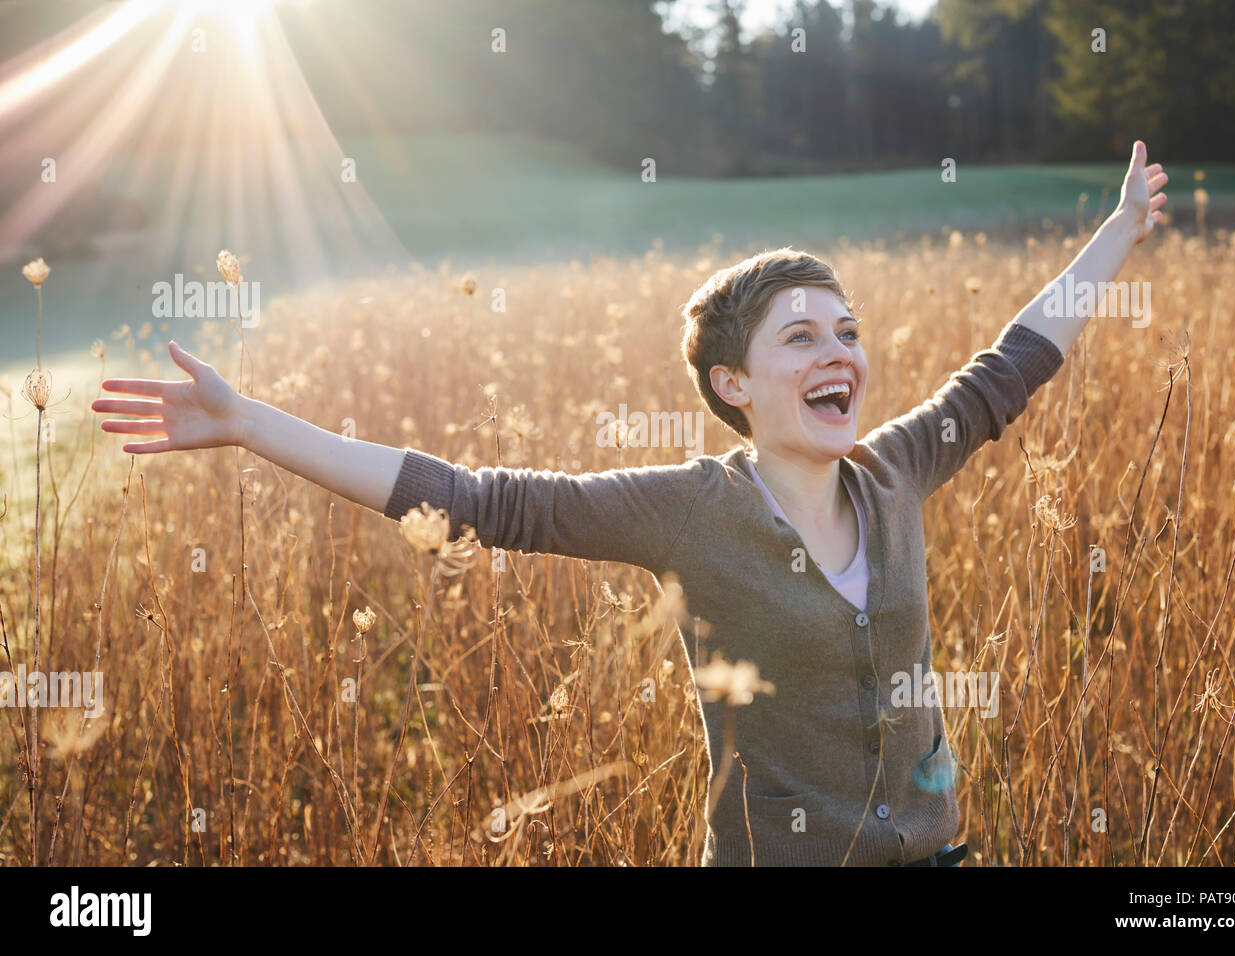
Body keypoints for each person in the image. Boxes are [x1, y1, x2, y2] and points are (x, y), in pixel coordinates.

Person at [91, 141, 1167, 866]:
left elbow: (1011, 363)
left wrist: (1118, 230)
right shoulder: (686, 511)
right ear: (731, 387)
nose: (839, 350)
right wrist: (251, 423)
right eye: (801, 336)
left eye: (846, 330)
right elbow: (474, 500)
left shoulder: (893, 470)